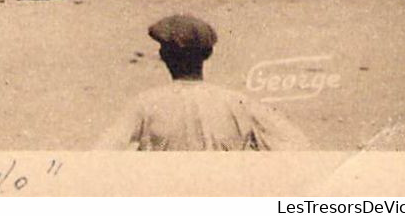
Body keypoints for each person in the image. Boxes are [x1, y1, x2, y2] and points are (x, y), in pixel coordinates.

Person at [98, 14, 309, 150]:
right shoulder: (238, 103)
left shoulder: (146, 104)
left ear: (164, 56)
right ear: (207, 55)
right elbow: (299, 147)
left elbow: (100, 156)